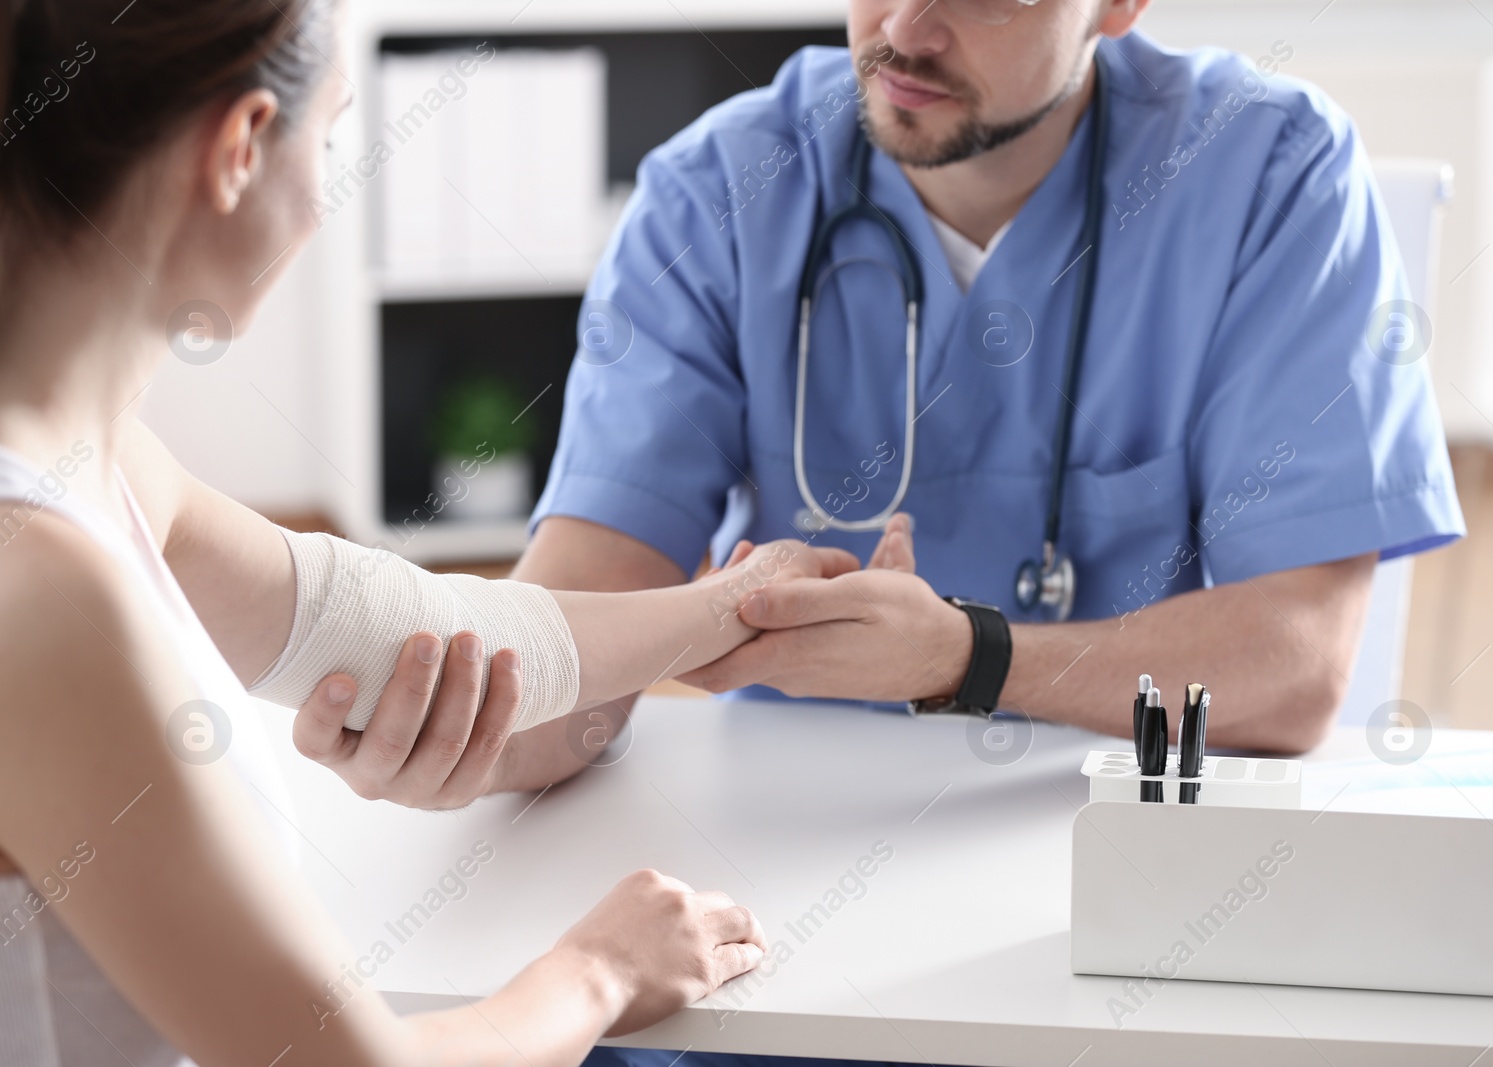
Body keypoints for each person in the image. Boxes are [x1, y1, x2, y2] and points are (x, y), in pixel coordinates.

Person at [303, 0, 1463, 818]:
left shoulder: (1267, 176)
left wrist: (967, 657)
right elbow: (573, 645)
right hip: (786, 863)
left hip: (1127, 847)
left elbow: (1294, 667)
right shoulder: (717, 194)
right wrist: (455, 725)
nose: (906, 28)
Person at [0, 1, 860, 1063]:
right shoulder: (39, 592)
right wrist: (597, 969)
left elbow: (417, 624)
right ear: (237, 150)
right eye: (328, 138)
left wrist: (732, 604)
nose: (325, 202)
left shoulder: (95, 462)